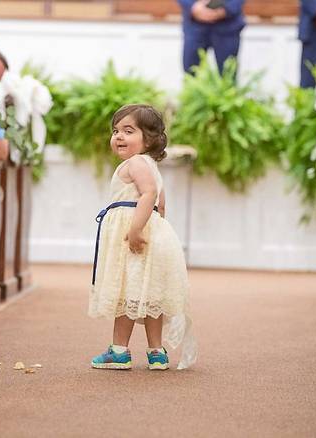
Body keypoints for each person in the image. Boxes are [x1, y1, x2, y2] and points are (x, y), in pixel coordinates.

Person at [88, 104, 197, 371]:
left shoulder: (135, 163)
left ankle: (119, 351)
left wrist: (135, 230)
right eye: (115, 131)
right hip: (154, 234)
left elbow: (148, 195)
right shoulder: (151, 167)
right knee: (150, 294)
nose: (119, 136)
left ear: (149, 138)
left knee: (126, 292)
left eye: (128, 130)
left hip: (134, 233)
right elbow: (161, 204)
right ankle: (156, 352)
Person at [178, 0, 246, 74]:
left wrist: (225, 10)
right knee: (191, 72)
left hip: (228, 26)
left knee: (227, 74)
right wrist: (193, 7)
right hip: (195, 26)